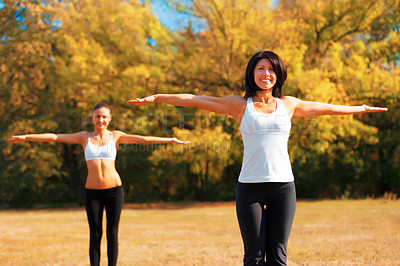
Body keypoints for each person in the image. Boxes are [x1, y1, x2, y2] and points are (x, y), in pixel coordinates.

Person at [127, 50, 388, 266]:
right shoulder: (239, 105)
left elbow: (328, 109)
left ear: (278, 74)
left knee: (278, 257)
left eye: (271, 69)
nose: (266, 74)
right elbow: (196, 99)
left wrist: (361, 108)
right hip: (249, 187)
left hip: (283, 187)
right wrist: (158, 98)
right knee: (253, 258)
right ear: (252, 73)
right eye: (261, 68)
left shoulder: (288, 104)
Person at [7, 102, 189, 266]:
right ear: (92, 118)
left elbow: (143, 139)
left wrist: (171, 140)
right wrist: (27, 137)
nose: (100, 120)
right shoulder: (84, 137)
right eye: (97, 116)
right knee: (95, 234)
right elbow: (55, 137)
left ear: (109, 119)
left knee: (112, 232)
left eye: (104, 117)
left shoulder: (116, 136)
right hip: (92, 193)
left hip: (114, 192)